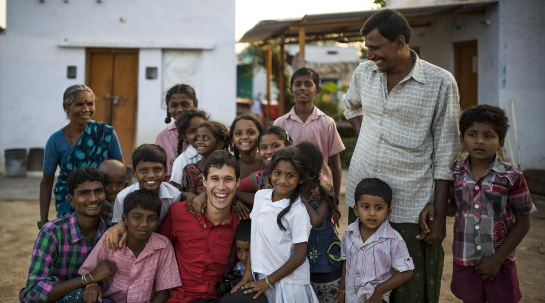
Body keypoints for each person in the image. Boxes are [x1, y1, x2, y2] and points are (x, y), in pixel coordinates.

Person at [342, 9, 461, 302]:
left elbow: (447, 147)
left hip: (410, 203)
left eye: (375, 47)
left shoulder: (440, 82)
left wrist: (439, 208)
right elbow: (351, 106)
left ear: (400, 42)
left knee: (408, 285)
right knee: (360, 274)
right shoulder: (364, 73)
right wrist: (369, 135)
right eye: (367, 48)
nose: (370, 55)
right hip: (362, 193)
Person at [442, 105, 535, 303]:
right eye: (472, 134)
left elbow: (523, 223)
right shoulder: (455, 173)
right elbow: (453, 207)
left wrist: (496, 260)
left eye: (488, 136)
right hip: (465, 259)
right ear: (462, 139)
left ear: (500, 142)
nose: (480, 141)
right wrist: (433, 206)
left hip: (500, 262)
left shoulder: (512, 176)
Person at [20, 167, 116, 302]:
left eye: (98, 191)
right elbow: (33, 294)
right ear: (71, 200)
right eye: (84, 193)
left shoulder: (111, 231)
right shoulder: (52, 232)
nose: (93, 198)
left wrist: (93, 284)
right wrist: (89, 278)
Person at [237, 147, 319, 303]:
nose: (282, 180)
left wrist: (268, 281)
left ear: (300, 179)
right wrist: (249, 271)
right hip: (262, 277)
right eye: (277, 173)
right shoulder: (261, 196)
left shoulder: (298, 212)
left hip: (288, 284)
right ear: (270, 174)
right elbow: (256, 235)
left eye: (290, 175)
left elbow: (300, 256)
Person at [39, 84, 123, 228]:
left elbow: (120, 173)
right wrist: (43, 219)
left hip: (101, 202)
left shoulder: (106, 133)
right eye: (79, 105)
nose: (86, 109)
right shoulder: (55, 141)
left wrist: (119, 206)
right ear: (66, 107)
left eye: (90, 104)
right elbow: (47, 181)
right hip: (69, 202)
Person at [79, 189, 182, 303]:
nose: (144, 224)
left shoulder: (163, 246)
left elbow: (164, 290)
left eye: (152, 218)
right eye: (137, 217)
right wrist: (92, 284)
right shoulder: (109, 242)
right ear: (124, 219)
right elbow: (87, 272)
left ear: (157, 221)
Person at [334, 178, 414, 303]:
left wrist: (380, 290)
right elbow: (346, 262)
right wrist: (341, 291)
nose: (372, 213)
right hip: (351, 298)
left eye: (378, 208)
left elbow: (407, 271)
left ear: (388, 212)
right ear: (356, 210)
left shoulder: (393, 239)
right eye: (365, 207)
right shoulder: (349, 233)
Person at [274, 67, 345, 197]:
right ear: (291, 90)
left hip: (319, 190)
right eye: (298, 84)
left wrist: (335, 198)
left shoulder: (327, 123)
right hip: (289, 190)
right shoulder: (280, 123)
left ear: (317, 90)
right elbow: (274, 161)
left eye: (308, 84)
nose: (302, 88)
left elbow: (336, 165)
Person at [296, 141, 342, 303]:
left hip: (327, 266)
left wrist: (301, 199)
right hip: (301, 268)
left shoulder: (324, 194)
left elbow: (315, 220)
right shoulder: (292, 192)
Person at [112, 144, 181, 224]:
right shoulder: (122, 197)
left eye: (157, 169)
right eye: (144, 170)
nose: (151, 175)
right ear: (134, 173)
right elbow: (118, 227)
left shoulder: (174, 196)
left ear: (165, 171)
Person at [235, 126, 293, 206]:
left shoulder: (299, 173)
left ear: (288, 146)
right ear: (258, 153)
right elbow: (234, 190)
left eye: (276, 146)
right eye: (264, 147)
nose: (269, 151)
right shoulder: (259, 178)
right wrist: (261, 201)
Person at [155, 84, 198, 179]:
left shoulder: (206, 132)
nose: (179, 109)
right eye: (174, 105)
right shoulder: (162, 136)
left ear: (195, 104)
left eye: (185, 104)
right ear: (168, 108)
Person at [182, 121, 229, 195]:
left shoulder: (230, 167)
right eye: (197, 138)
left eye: (205, 138)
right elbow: (191, 199)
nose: (198, 142)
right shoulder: (191, 170)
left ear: (219, 145)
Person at [170, 109, 209, 189]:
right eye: (193, 131)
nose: (199, 134)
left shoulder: (219, 152)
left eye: (202, 127)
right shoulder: (181, 161)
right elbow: (175, 191)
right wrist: (189, 196)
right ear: (184, 137)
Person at [229, 114, 264, 179]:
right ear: (232, 140)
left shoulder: (268, 164)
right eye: (238, 133)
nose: (244, 137)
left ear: (261, 137)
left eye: (251, 132)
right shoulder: (229, 167)